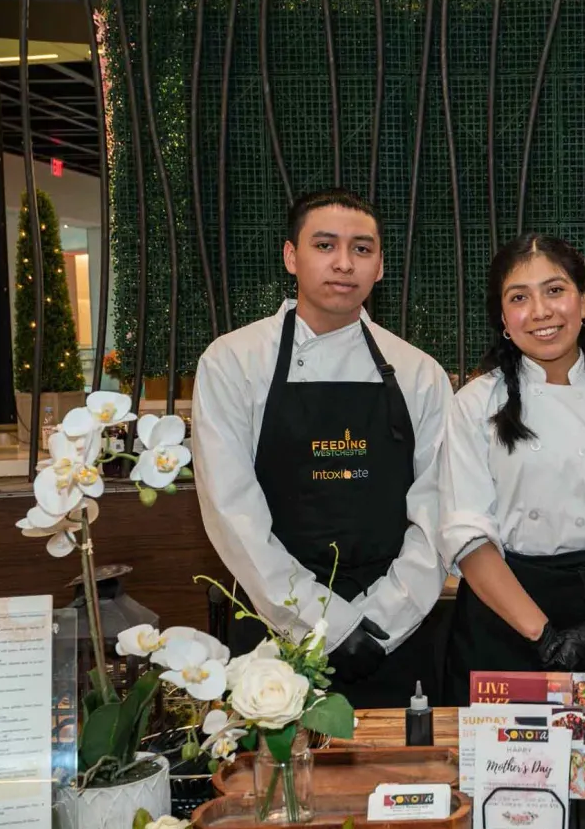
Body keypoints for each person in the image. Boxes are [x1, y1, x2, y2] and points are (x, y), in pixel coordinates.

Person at [193, 188, 453, 708]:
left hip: (393, 634)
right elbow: (233, 513)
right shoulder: (233, 362)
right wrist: (323, 624)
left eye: (362, 249)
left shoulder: (419, 372)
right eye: (325, 245)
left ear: (379, 266)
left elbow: (438, 509)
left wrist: (383, 619)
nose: (343, 263)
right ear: (291, 256)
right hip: (277, 628)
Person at [437, 235, 585, 707]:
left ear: (583, 302)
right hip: (504, 621)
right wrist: (544, 637)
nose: (541, 310)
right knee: (501, 778)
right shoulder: (473, 406)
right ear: (503, 319)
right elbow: (469, 537)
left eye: (555, 290)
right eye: (519, 297)